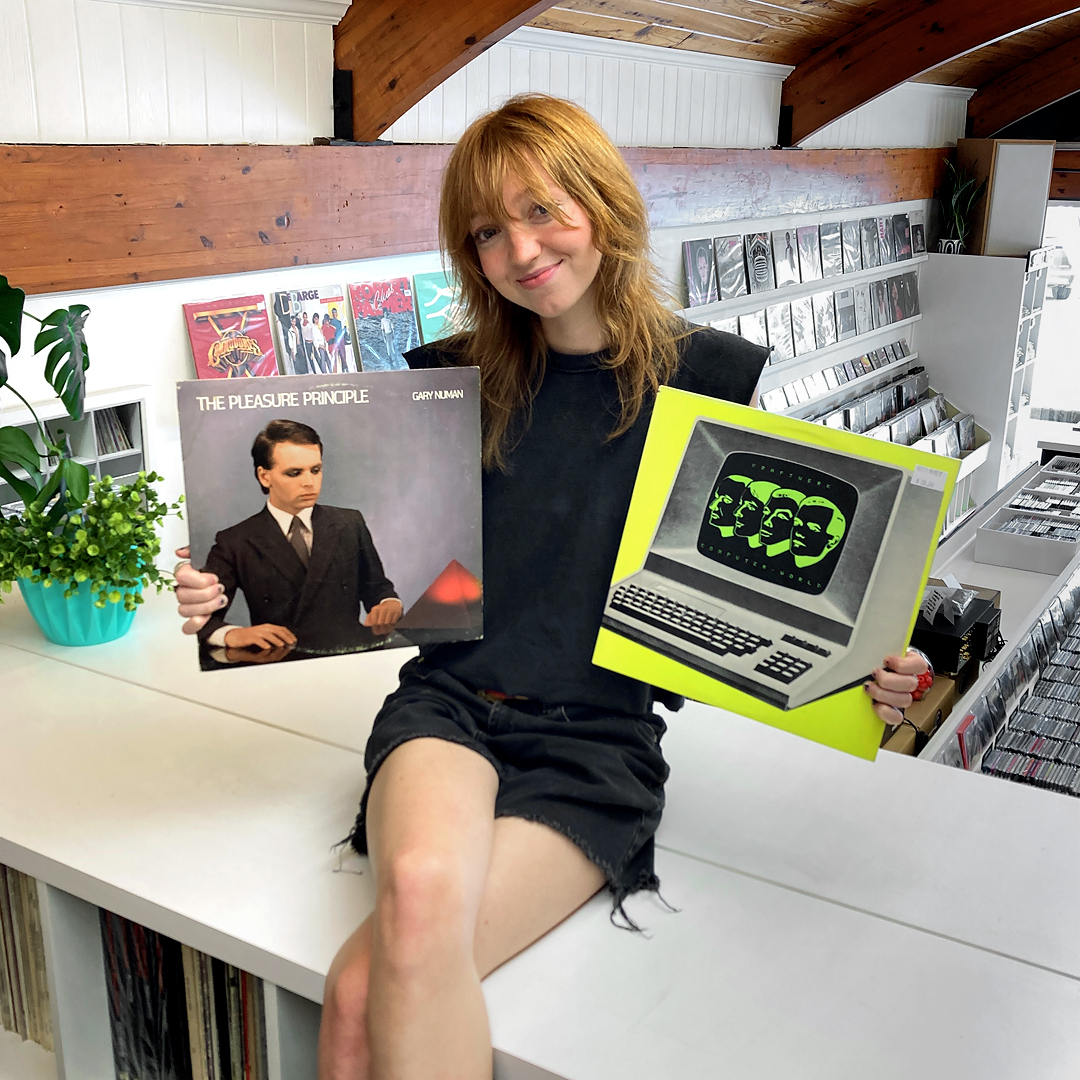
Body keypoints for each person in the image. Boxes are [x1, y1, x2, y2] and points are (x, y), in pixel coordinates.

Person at [173, 94, 928, 1080]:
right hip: (449, 708)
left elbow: (758, 601)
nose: (519, 250)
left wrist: (869, 670)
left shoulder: (715, 380)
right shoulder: (445, 383)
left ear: (603, 203)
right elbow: (359, 572)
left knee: (360, 994)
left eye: (541, 210)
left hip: (596, 742)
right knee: (416, 887)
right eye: (486, 231)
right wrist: (219, 598)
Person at [198, 418, 403, 656]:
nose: (309, 483)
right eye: (294, 473)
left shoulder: (349, 523)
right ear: (264, 476)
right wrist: (232, 634)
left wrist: (389, 603)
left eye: (316, 470)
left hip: (349, 655)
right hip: (280, 659)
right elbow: (203, 618)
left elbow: (377, 587)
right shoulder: (235, 541)